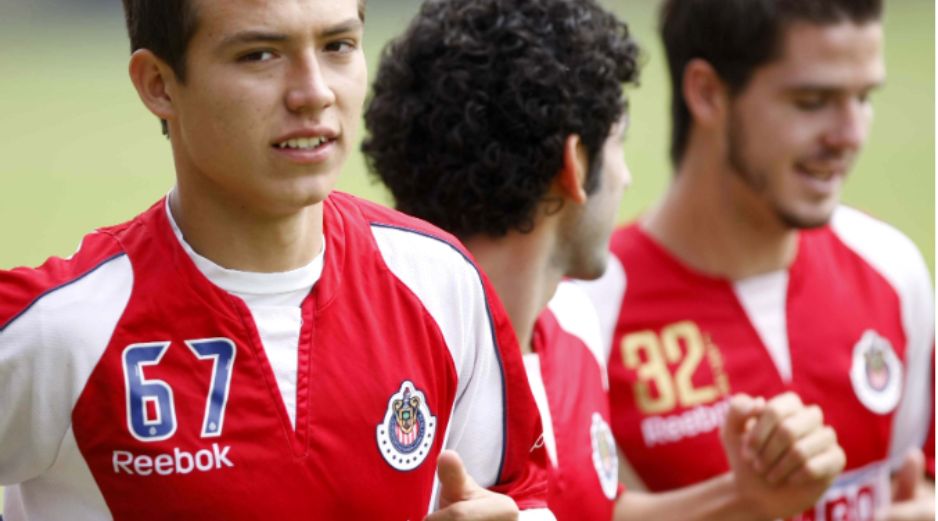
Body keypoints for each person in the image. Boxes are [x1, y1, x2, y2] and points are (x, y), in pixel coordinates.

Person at [0, 0, 556, 519]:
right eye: (260, 55)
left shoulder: (441, 282)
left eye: (338, 45)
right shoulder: (60, 328)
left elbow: (521, 495)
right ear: (158, 84)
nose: (313, 93)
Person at [364, 0, 846, 519]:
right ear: (574, 166)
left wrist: (745, 497)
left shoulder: (572, 319)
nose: (626, 177)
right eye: (618, 145)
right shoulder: (394, 371)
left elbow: (593, 510)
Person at [580, 0, 935, 520]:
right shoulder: (587, 307)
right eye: (812, 101)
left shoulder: (892, 269)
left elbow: (919, 476)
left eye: (863, 98)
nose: (850, 134)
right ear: (707, 92)